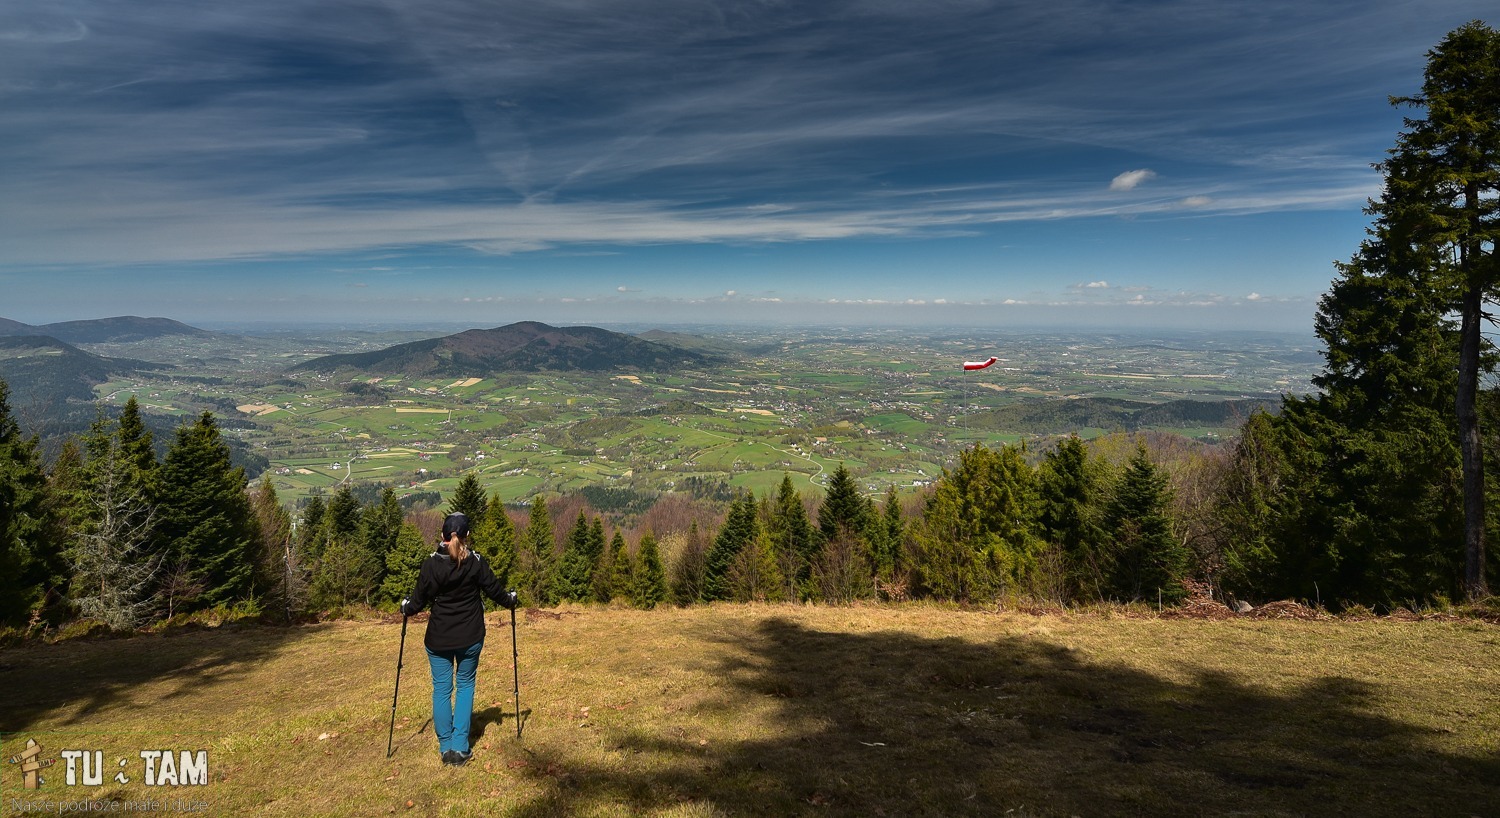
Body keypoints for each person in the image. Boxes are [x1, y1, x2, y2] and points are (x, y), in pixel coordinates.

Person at [401, 512, 517, 767]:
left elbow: (417, 602)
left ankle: (445, 747)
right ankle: (460, 747)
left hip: (439, 637)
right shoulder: (475, 561)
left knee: (442, 689)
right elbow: (495, 590)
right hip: (470, 635)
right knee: (465, 686)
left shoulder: (431, 564)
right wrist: (511, 600)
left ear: (442, 535)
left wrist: (406, 607)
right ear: (467, 536)